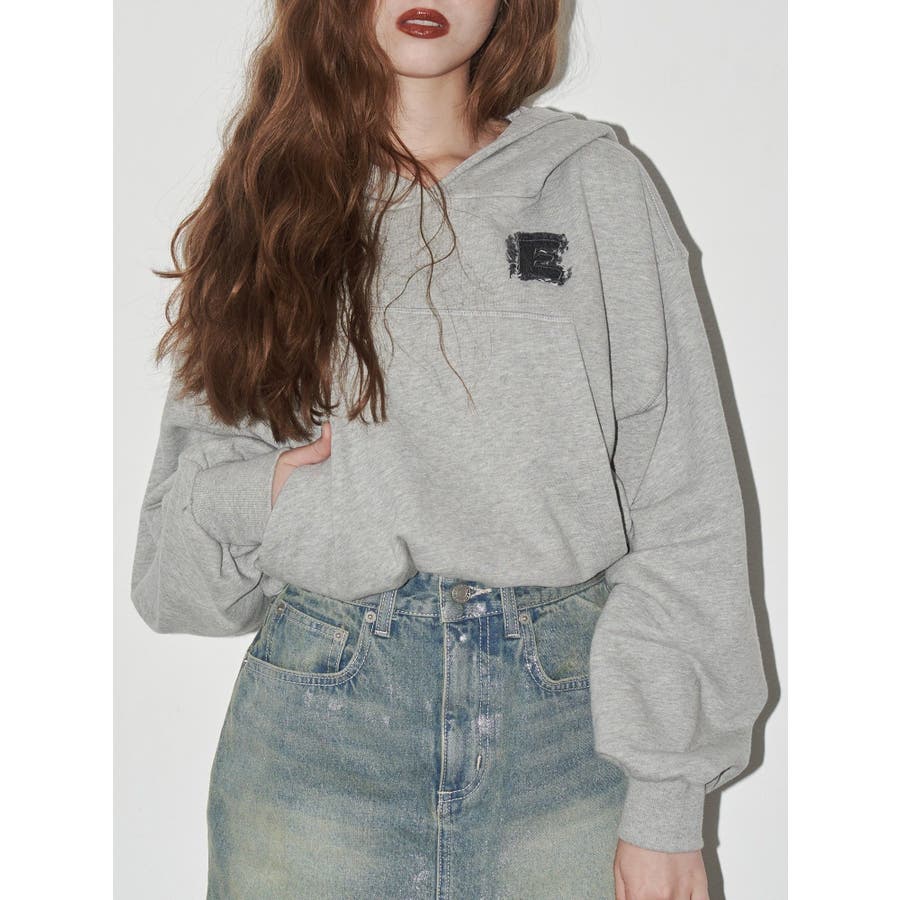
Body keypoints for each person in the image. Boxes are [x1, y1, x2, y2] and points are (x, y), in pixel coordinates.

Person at [130, 1, 768, 897]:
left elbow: (682, 498)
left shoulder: (592, 185)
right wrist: (269, 493)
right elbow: (175, 582)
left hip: (566, 738)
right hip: (323, 728)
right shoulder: (272, 205)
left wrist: (668, 803)